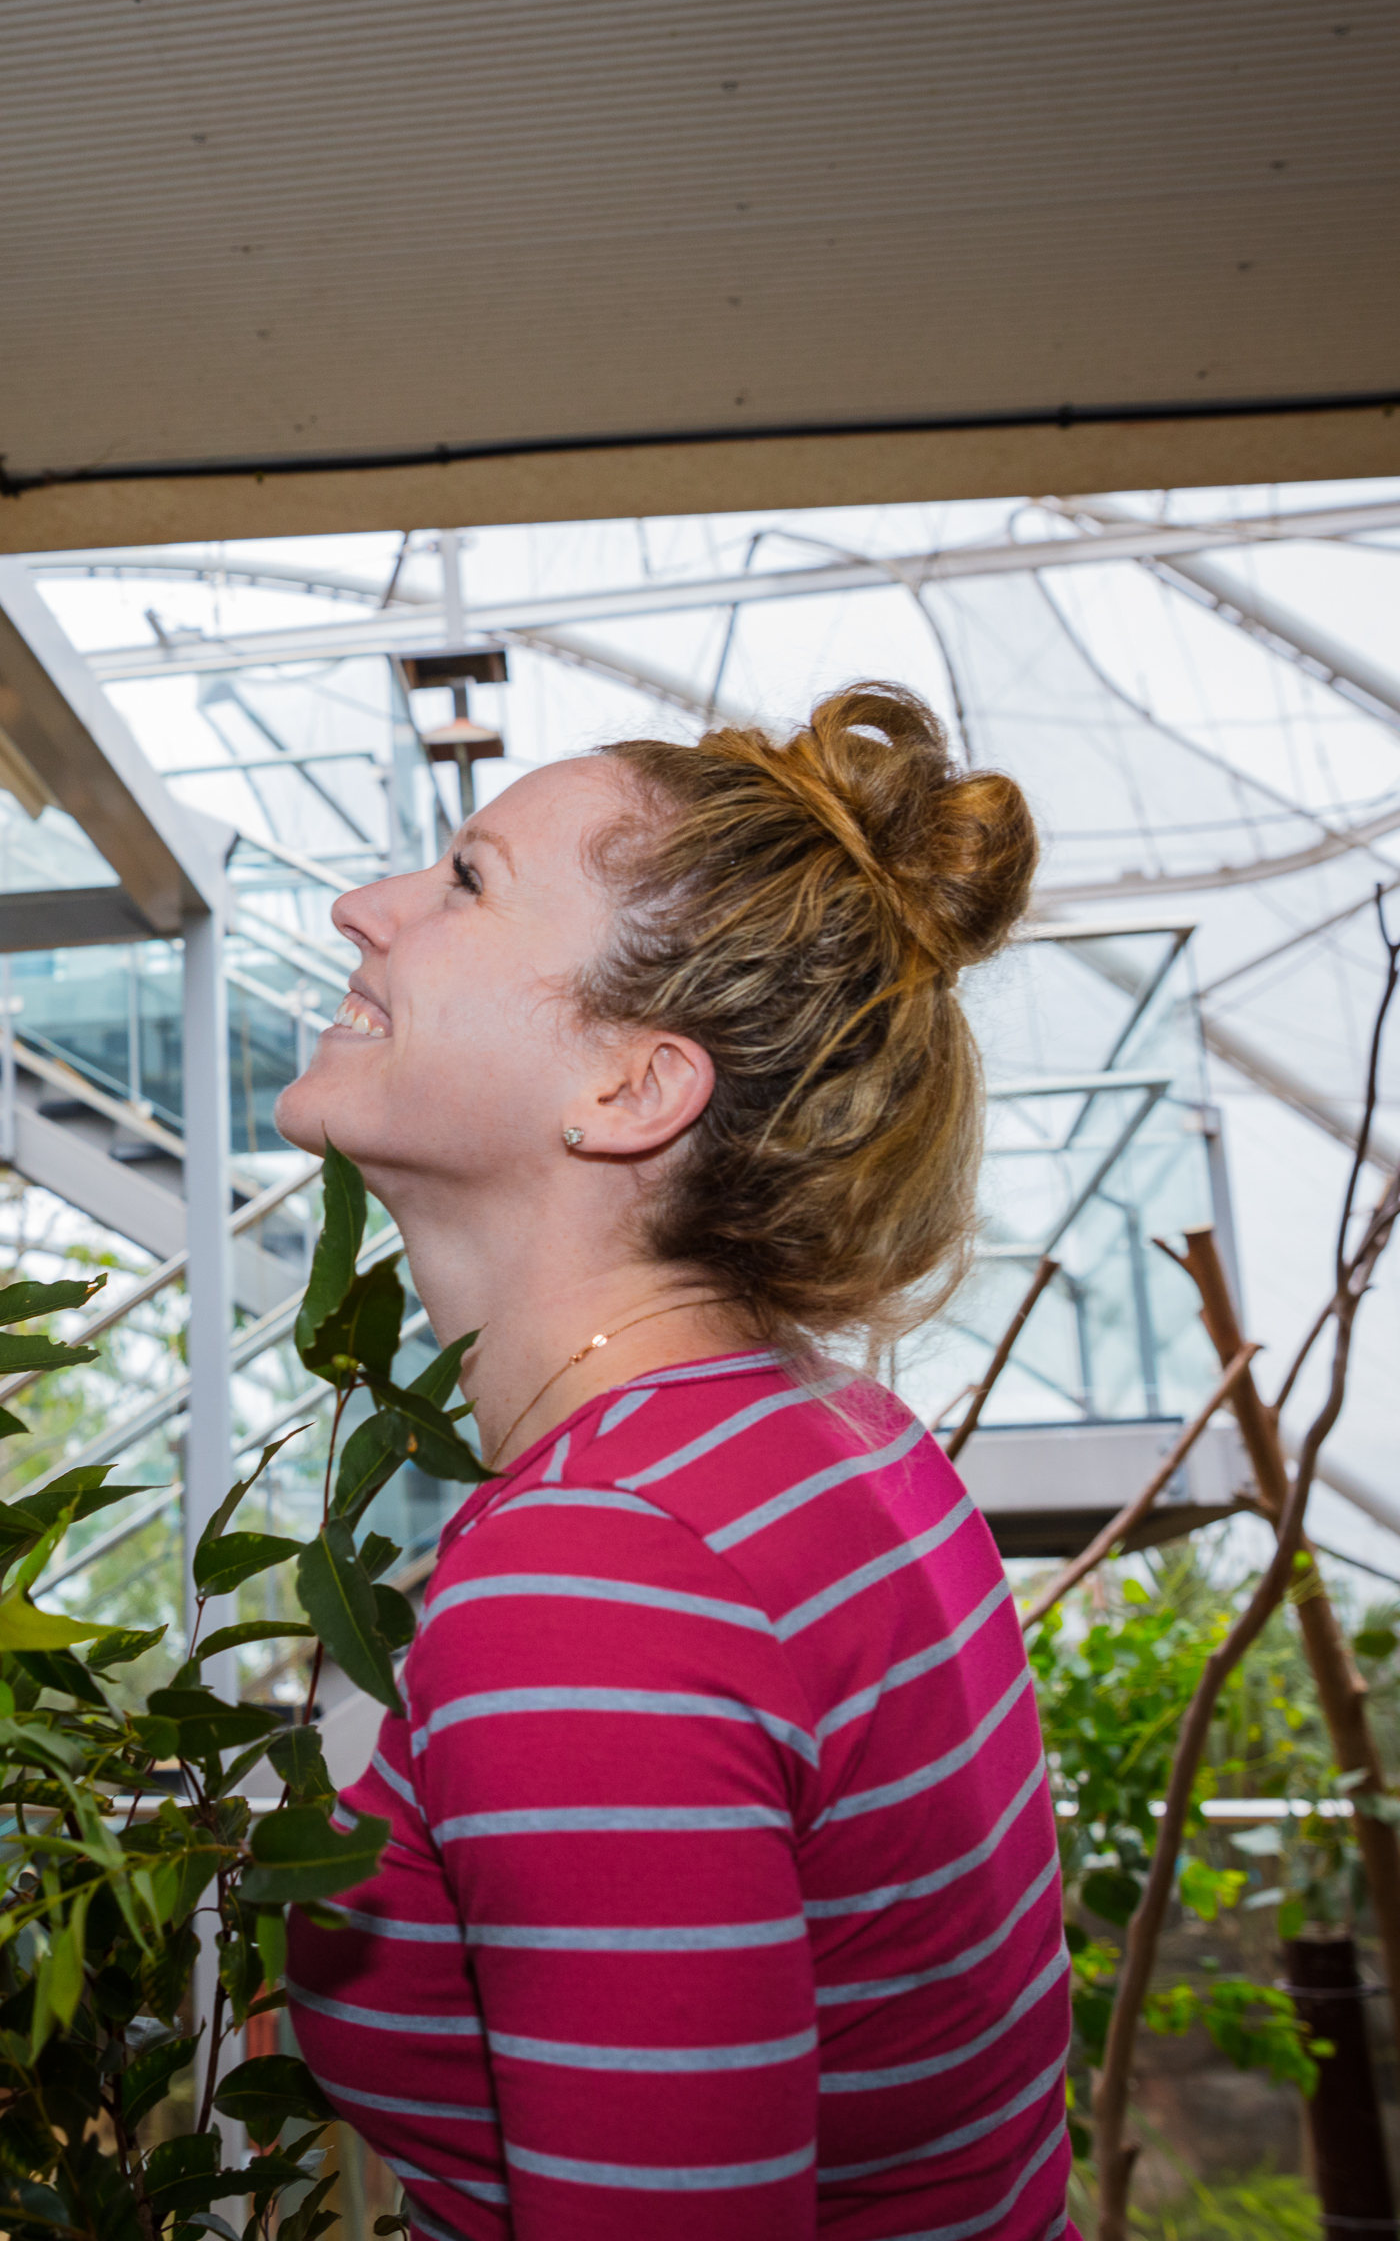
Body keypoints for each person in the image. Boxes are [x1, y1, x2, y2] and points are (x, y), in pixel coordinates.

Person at [279, 684, 1068, 2239]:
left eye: (466, 881)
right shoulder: (830, 1437)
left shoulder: (599, 1577)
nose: (360, 910)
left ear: (631, 1088)